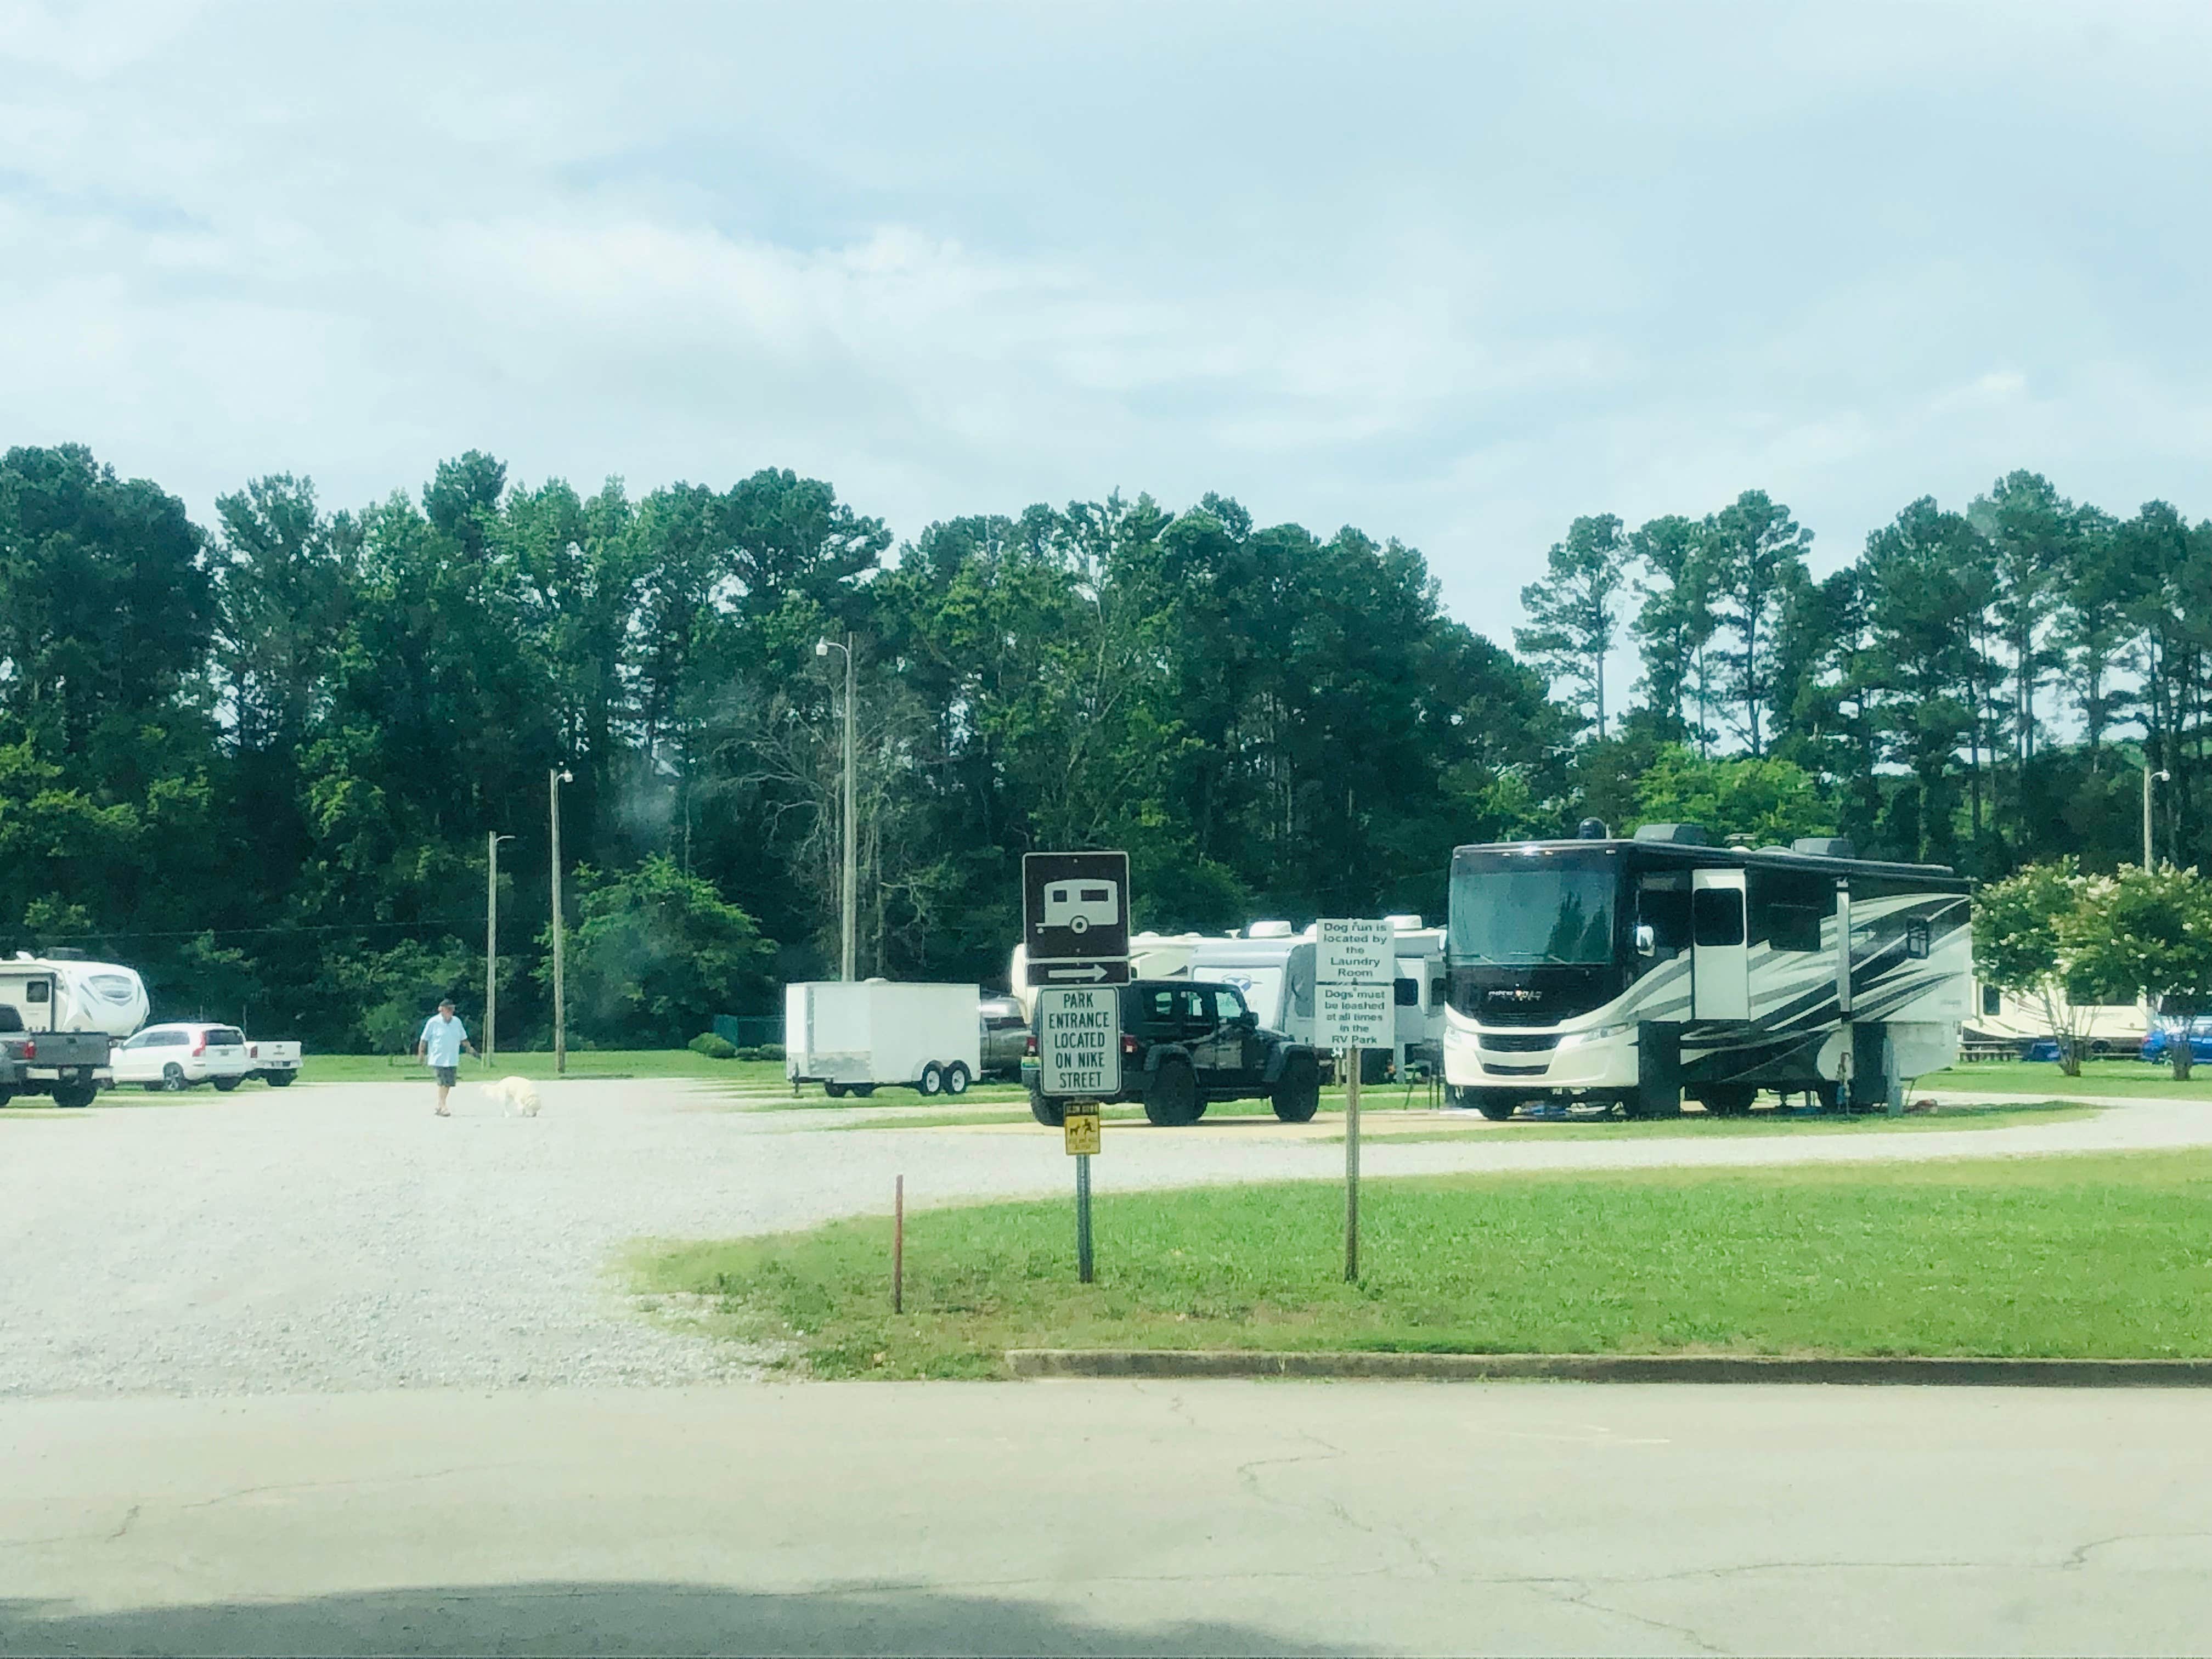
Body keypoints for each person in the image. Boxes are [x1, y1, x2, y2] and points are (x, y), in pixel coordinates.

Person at [415, 998, 478, 1117]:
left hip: (452, 1058)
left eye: (452, 1009)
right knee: (442, 1082)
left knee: (449, 1083)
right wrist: (421, 1054)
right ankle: (443, 1106)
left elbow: (463, 1038)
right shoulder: (433, 1022)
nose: (450, 1012)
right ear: (441, 1010)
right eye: (448, 1009)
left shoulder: (457, 1022)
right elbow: (424, 1040)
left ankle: (440, 1106)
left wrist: (470, 1049)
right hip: (438, 1058)